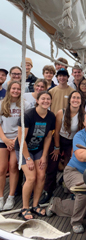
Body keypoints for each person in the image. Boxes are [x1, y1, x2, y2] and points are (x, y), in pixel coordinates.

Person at [46, 112, 86, 234]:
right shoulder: (79, 136)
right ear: (83, 123)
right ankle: (76, 222)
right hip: (74, 172)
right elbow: (81, 156)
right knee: (85, 190)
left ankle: (56, 204)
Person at [15, 91, 55, 220]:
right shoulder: (27, 115)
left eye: (48, 99)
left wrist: (44, 156)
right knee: (31, 177)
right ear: (37, 100)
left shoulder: (51, 116)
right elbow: (21, 140)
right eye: (43, 99)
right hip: (23, 149)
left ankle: (35, 205)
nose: (45, 101)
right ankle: (24, 208)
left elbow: (49, 137)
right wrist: (27, 159)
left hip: (38, 149)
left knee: (41, 175)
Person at [42, 91, 85, 204]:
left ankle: (69, 187)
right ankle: (48, 190)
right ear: (70, 100)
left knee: (70, 164)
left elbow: (80, 132)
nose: (75, 100)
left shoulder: (83, 114)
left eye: (78, 98)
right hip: (59, 139)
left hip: (73, 141)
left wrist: (74, 148)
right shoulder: (61, 112)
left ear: (81, 101)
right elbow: (56, 132)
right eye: (73, 97)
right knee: (53, 164)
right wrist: (57, 147)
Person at [0, 81, 30, 211]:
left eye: (18, 89)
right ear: (9, 89)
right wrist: (5, 139)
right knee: (1, 169)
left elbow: (25, 125)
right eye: (14, 88)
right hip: (3, 138)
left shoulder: (25, 105)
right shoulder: (1, 104)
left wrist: (15, 140)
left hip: (18, 139)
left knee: (13, 167)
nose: (16, 91)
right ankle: (1, 197)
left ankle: (11, 196)